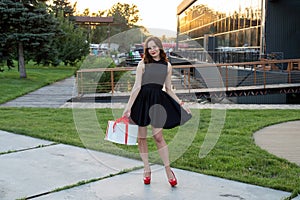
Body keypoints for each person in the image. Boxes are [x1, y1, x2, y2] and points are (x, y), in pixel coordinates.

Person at [123, 36, 192, 187]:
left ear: (160, 47)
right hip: (142, 101)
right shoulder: (142, 64)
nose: (152, 50)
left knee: (158, 136)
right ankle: (146, 169)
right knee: (141, 137)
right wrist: (128, 107)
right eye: (149, 48)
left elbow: (168, 89)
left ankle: (168, 169)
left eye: (154, 47)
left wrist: (181, 103)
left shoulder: (167, 65)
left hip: (158, 102)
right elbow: (137, 87)